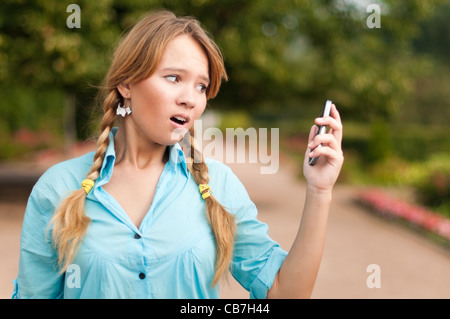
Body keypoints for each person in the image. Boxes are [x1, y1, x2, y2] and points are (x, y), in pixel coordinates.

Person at [12, 10, 343, 299]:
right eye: (174, 78)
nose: (191, 99)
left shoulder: (218, 185)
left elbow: (286, 293)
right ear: (126, 84)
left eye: (201, 86)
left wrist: (319, 190)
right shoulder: (56, 188)